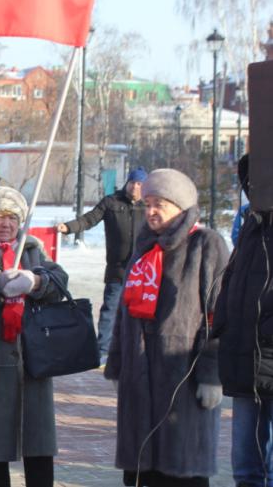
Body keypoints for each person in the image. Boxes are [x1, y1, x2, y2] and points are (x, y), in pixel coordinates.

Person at [104, 168, 228, 487]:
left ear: (180, 206)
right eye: (147, 203)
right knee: (143, 472)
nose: (151, 211)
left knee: (181, 473)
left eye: (159, 203)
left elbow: (219, 316)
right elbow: (124, 313)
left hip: (183, 382)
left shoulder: (205, 245)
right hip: (139, 382)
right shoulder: (143, 248)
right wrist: (118, 365)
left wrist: (212, 375)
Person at [0, 186, 68, 487]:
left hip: (31, 358)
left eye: (12, 217)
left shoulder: (32, 248)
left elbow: (59, 281)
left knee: (38, 441)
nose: (5, 223)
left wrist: (36, 281)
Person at [213, 153, 273, 487]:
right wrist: (221, 323)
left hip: (267, 349)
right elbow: (233, 278)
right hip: (244, 353)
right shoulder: (251, 222)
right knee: (246, 465)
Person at [57, 166, 147, 361]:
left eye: (139, 184)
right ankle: (104, 350)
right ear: (127, 183)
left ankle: (139, 350)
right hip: (117, 268)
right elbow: (90, 219)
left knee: (142, 310)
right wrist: (69, 227)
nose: (135, 187)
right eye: (132, 183)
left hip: (144, 271)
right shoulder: (111, 202)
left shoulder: (149, 206)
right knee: (111, 308)